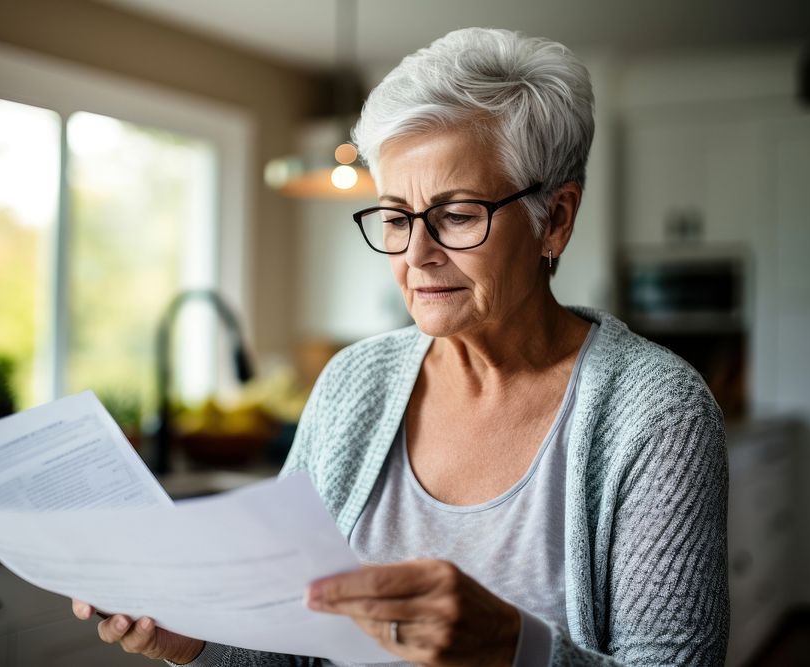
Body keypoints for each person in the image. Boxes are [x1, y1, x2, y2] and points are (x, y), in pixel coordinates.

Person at [74, 27, 729, 666]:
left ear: (554, 218)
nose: (416, 254)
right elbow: (286, 642)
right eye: (394, 217)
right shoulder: (353, 381)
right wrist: (196, 640)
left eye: (458, 214)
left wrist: (512, 648)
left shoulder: (657, 413)